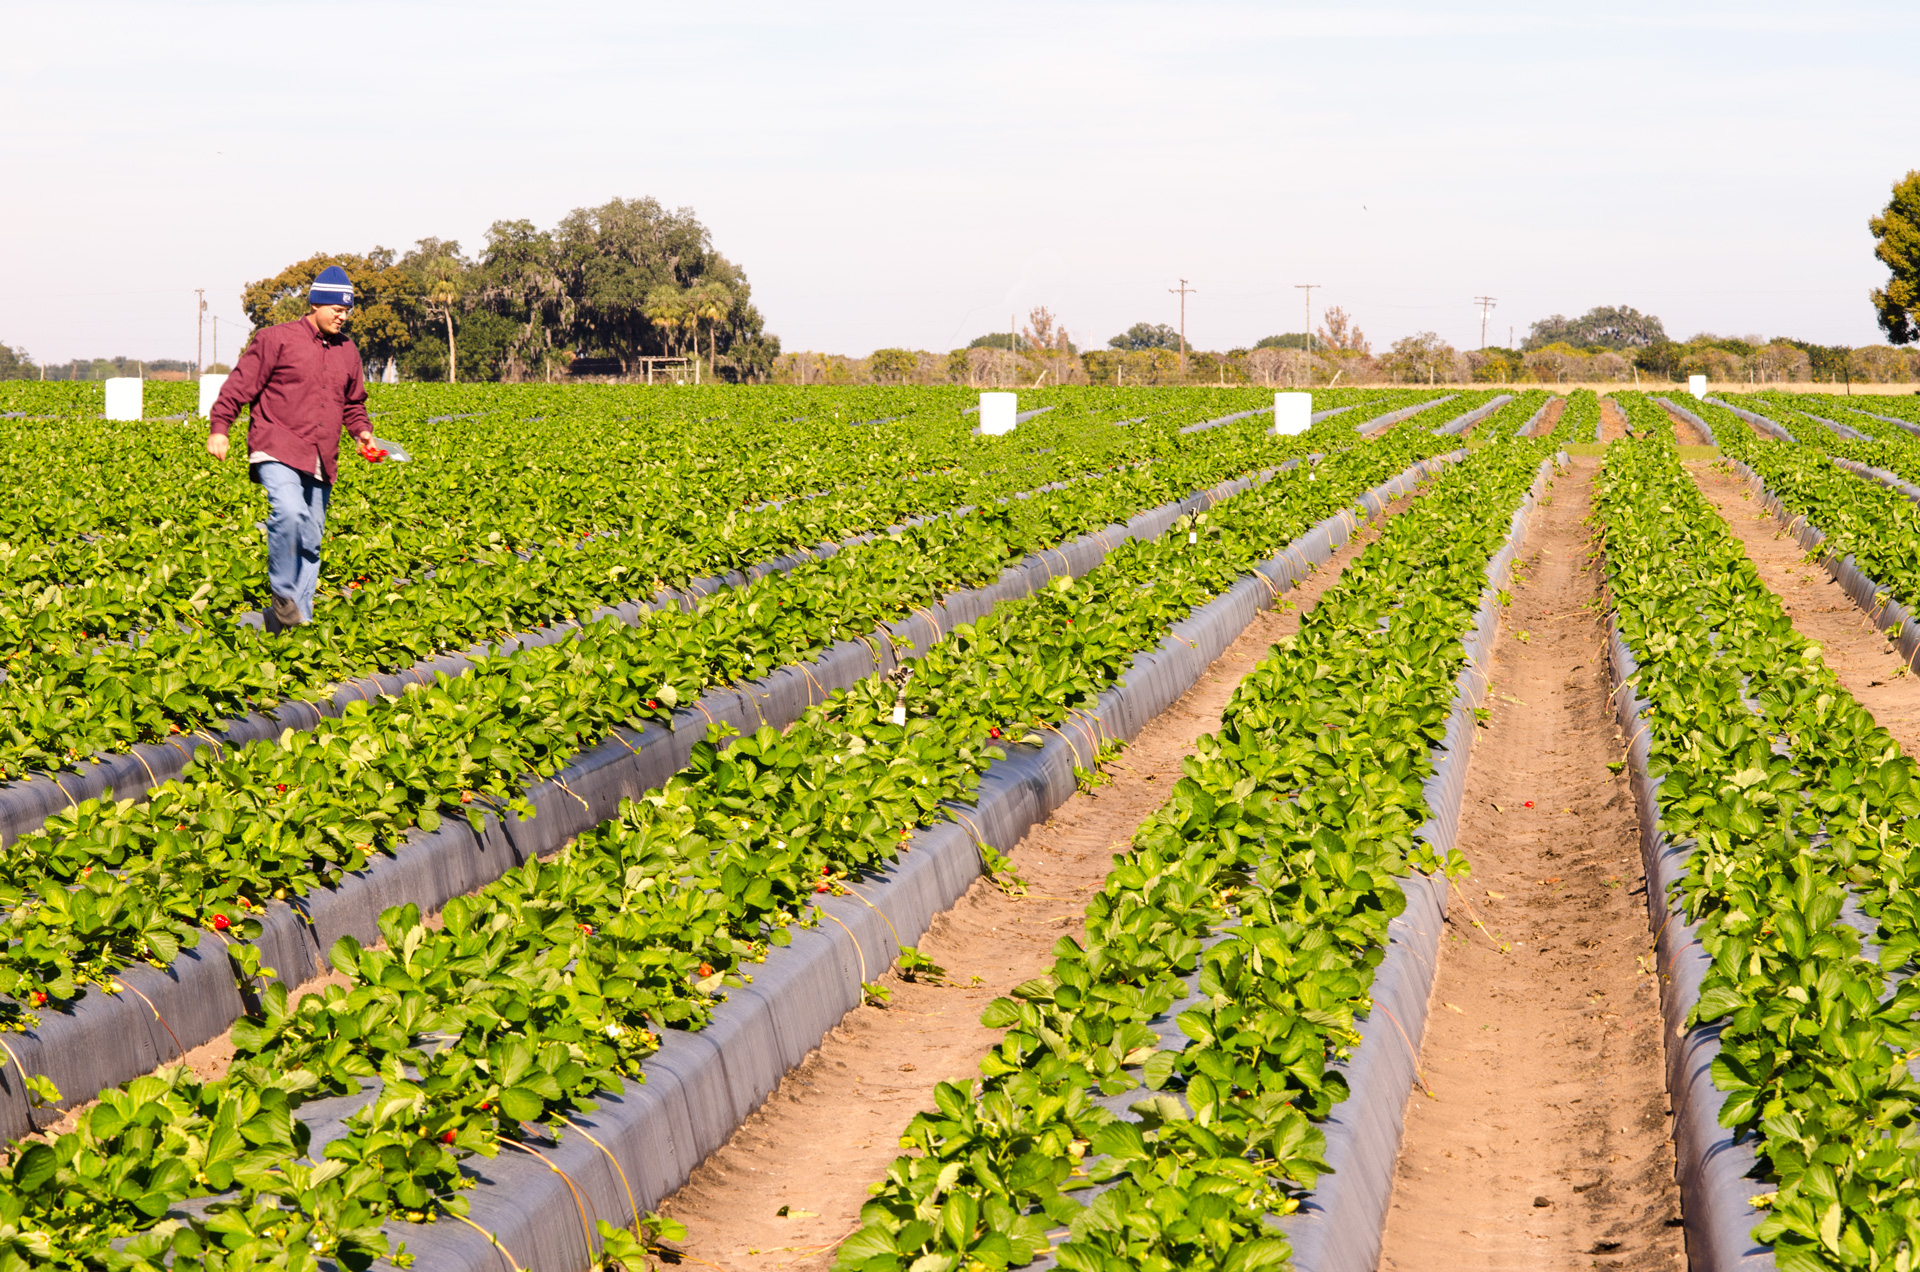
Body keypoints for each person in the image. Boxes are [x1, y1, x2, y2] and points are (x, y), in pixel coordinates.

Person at [207, 265, 382, 631]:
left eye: (347, 310)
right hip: (277, 444)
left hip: (322, 455)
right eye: (337, 308)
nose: (342, 316)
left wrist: (362, 432)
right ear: (317, 303)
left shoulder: (348, 351)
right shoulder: (276, 339)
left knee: (312, 539)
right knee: (288, 512)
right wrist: (220, 427)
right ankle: (284, 595)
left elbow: (353, 403)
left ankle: (294, 623)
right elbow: (240, 386)